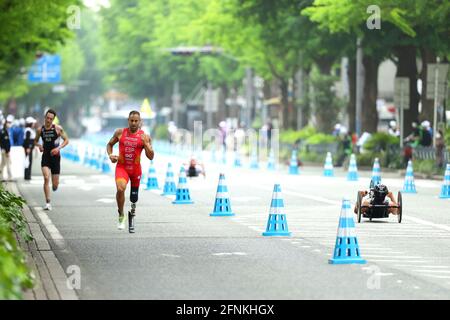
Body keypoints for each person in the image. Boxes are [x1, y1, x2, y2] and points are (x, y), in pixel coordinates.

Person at [106, 110, 154, 233]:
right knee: (120, 188)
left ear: (140, 122)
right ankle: (121, 214)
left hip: (136, 171)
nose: (133, 123)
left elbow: (151, 156)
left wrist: (146, 145)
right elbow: (109, 144)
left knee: (134, 197)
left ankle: (132, 214)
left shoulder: (145, 136)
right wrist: (111, 155)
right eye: (131, 120)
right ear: (128, 121)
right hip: (122, 168)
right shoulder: (120, 132)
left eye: (136, 121)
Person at [33, 109, 69, 211]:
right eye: (47, 118)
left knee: (55, 186)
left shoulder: (57, 129)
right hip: (46, 156)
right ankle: (48, 203)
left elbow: (66, 140)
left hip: (56, 158)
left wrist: (58, 148)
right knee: (46, 178)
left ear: (53, 119)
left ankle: (55, 185)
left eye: (51, 119)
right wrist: (39, 145)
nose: (48, 120)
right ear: (45, 117)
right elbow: (35, 141)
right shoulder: (40, 130)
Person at [0, 117, 13, 181]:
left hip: (4, 150)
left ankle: (1, 177)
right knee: (7, 163)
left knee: (2, 164)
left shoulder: (4, 131)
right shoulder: (4, 131)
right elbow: (5, 142)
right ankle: (9, 177)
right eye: (8, 122)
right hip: (5, 150)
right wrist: (7, 151)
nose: (9, 124)